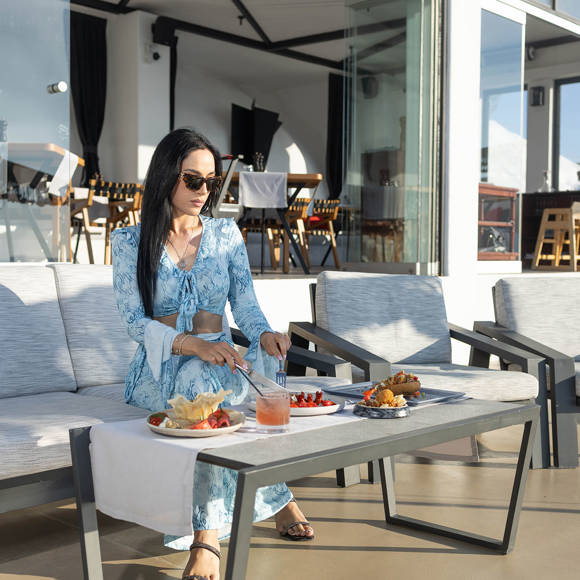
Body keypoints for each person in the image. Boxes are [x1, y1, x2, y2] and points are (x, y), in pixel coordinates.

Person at [111, 128, 314, 580]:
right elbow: (131, 322)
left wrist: (264, 335)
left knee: (258, 387)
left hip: (223, 361)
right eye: (192, 179)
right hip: (160, 371)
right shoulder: (129, 241)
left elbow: (245, 304)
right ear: (166, 177)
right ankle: (211, 536)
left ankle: (268, 502)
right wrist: (192, 345)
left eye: (211, 181)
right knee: (198, 385)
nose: (204, 191)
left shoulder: (226, 234)